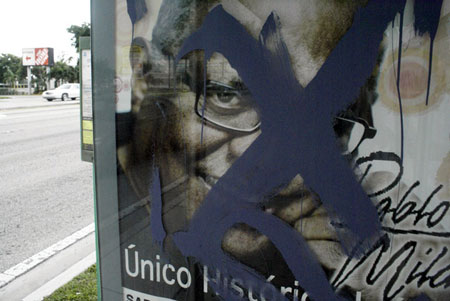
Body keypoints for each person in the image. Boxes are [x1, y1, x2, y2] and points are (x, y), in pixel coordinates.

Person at [117, 0, 449, 300]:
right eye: (228, 95)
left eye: (325, 124)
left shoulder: (329, 243)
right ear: (146, 76)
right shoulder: (119, 225)